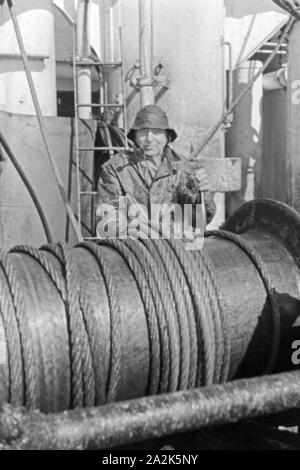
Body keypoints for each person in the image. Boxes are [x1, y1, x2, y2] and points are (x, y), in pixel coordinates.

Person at [96, 104, 216, 238]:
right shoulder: (116, 169)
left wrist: (203, 197)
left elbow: (199, 221)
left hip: (176, 246)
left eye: (156, 133)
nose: (149, 139)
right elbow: (107, 220)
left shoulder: (185, 169)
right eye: (143, 133)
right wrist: (133, 230)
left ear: (167, 138)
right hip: (132, 246)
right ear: (134, 137)